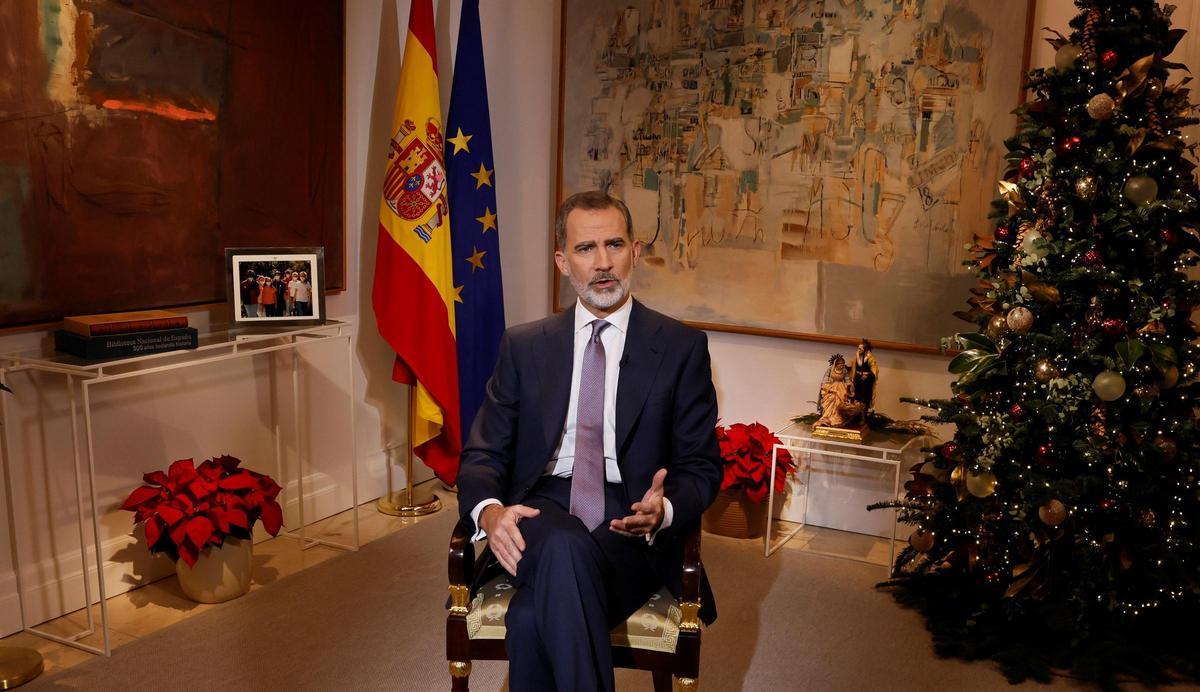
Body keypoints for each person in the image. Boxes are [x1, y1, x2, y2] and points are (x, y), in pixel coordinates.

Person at [457, 190, 722, 692]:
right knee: (560, 545)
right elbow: (483, 454)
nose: (602, 263)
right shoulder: (524, 345)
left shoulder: (681, 347)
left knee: (534, 615)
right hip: (541, 509)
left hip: (630, 521)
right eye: (585, 249)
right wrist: (490, 513)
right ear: (562, 261)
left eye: (614, 244)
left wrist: (664, 511)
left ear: (635, 251)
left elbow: (702, 466)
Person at [850, 338, 878, 412]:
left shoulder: (870, 359)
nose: (858, 350)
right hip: (857, 379)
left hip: (866, 382)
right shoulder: (857, 358)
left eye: (860, 348)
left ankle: (863, 418)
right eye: (858, 348)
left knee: (864, 400)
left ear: (865, 349)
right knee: (856, 398)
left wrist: (868, 375)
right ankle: (856, 416)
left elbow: (874, 371)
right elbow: (853, 367)